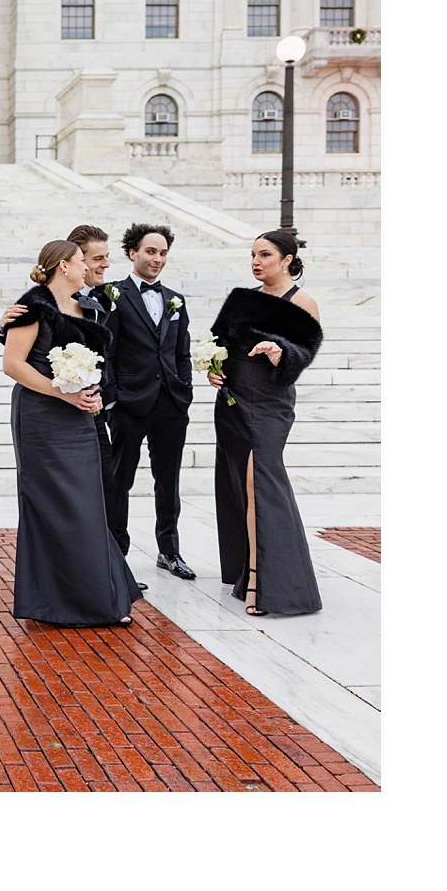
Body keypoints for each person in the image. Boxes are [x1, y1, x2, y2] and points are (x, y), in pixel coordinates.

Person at [0, 240, 141, 627]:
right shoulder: (32, 307)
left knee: (86, 502)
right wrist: (63, 392)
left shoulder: (87, 308)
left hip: (78, 417)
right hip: (42, 418)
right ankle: (58, 603)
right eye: (83, 261)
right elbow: (12, 364)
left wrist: (91, 396)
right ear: (64, 266)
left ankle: (98, 594)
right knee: (54, 506)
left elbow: (92, 368)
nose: (90, 268)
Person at [208, 230, 324, 617]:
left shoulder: (303, 302)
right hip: (232, 403)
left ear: (288, 259)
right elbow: (218, 346)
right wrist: (213, 369)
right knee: (239, 484)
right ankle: (248, 573)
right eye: (253, 255)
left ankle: (267, 581)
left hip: (270, 406)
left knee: (262, 483)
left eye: (266, 254)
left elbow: (301, 357)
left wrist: (279, 351)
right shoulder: (243, 298)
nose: (256, 262)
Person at [105, 223, 197, 580]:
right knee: (119, 480)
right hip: (129, 403)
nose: (157, 259)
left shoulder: (176, 299)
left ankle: (169, 551)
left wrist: (184, 389)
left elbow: (182, 351)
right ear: (133, 253)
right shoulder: (113, 294)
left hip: (171, 404)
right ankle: (117, 552)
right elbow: (106, 350)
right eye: (150, 252)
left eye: (162, 253)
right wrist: (112, 398)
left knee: (168, 480)